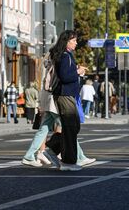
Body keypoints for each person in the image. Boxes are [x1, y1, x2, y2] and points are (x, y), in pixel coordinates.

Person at [50, 30, 87, 171]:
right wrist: (77, 72)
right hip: (65, 95)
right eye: (74, 40)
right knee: (71, 127)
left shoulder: (66, 55)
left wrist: (77, 71)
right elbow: (65, 76)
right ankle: (68, 162)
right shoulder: (65, 56)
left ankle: (53, 148)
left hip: (68, 95)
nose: (76, 43)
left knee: (72, 126)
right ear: (67, 41)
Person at [23, 57, 62, 167]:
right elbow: (52, 85)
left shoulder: (46, 67)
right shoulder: (55, 67)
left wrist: (40, 104)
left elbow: (44, 87)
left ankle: (29, 155)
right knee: (67, 129)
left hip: (46, 101)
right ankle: (54, 152)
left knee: (43, 129)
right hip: (53, 101)